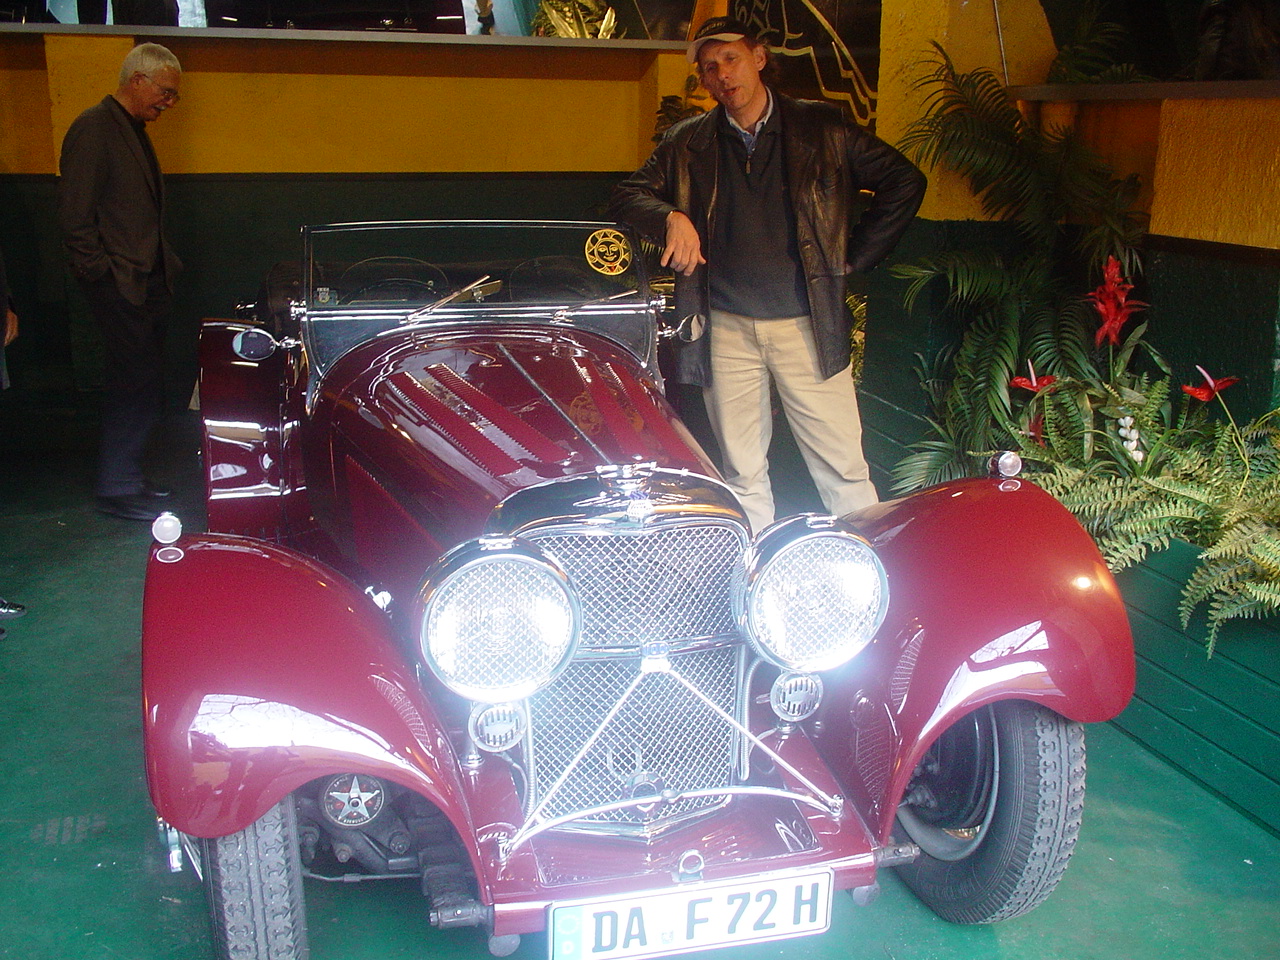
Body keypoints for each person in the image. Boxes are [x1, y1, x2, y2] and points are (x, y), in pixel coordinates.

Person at [609, 17, 926, 532]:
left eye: (731, 59)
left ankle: (868, 561)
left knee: (844, 470)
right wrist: (671, 217)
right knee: (742, 474)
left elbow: (904, 180)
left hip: (807, 325)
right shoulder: (688, 142)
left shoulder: (822, 128)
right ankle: (753, 572)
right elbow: (626, 195)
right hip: (725, 327)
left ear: (758, 58)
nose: (722, 75)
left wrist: (852, 257)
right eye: (710, 67)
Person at [59, 42, 183, 521]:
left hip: (143, 282)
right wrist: (103, 277)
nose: (169, 103)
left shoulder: (128, 128)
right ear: (137, 80)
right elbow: (75, 218)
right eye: (166, 92)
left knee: (141, 382)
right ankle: (118, 485)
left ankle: (126, 476)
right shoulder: (94, 128)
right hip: (121, 284)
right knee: (132, 382)